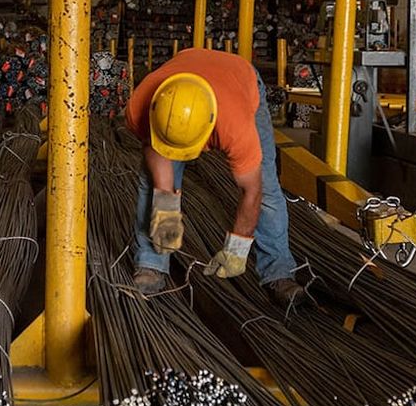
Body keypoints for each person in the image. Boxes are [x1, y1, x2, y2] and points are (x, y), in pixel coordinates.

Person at [124, 47, 305, 306]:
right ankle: (151, 263)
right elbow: (153, 150)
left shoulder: (236, 127)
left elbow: (253, 192)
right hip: (185, 74)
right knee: (150, 185)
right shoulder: (140, 105)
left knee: (267, 188)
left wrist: (237, 249)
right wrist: (166, 208)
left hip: (240, 78)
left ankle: (278, 271)